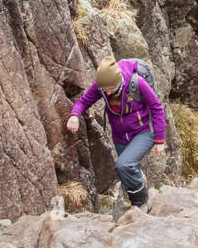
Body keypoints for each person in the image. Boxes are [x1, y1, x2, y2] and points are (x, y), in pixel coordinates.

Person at [66, 56, 166, 210]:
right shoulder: (102, 86)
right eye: (104, 90)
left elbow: (157, 108)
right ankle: (138, 195)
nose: (107, 92)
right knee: (129, 170)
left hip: (144, 131)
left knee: (123, 165)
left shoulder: (136, 83)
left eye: (110, 89)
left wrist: (159, 139)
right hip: (120, 136)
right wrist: (74, 115)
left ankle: (142, 203)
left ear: (118, 80)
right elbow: (84, 101)